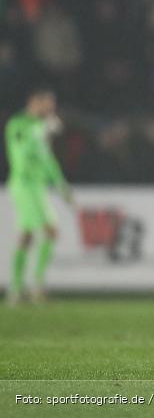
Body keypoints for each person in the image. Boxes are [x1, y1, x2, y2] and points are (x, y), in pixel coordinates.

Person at [5, 88, 73, 304]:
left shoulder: (40, 128)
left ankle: (16, 290)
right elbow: (20, 152)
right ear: (34, 102)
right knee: (50, 231)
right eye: (47, 104)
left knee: (27, 236)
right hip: (23, 184)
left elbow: (48, 159)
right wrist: (40, 131)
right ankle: (35, 286)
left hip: (37, 186)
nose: (51, 109)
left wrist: (62, 185)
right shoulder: (18, 125)